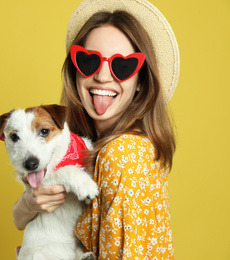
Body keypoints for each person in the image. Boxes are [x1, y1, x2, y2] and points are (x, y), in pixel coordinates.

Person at [13, 0, 180, 259]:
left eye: (122, 66)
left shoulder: (123, 154)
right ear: (76, 71)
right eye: (89, 61)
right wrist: (28, 205)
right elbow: (21, 218)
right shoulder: (85, 147)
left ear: (140, 82)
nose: (102, 76)